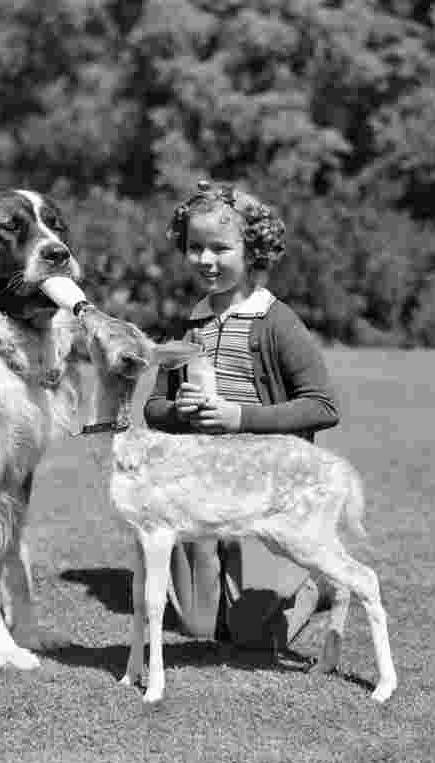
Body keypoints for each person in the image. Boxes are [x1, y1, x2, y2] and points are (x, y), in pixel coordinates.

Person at [144, 180, 340, 652]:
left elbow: (322, 405)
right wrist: (178, 412)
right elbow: (153, 408)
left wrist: (240, 418)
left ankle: (317, 583)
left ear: (252, 250)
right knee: (197, 630)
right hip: (203, 488)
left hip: (265, 489)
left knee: (253, 635)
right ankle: (229, 585)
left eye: (220, 248)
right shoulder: (189, 324)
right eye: (195, 248)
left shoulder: (276, 321)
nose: (205, 260)